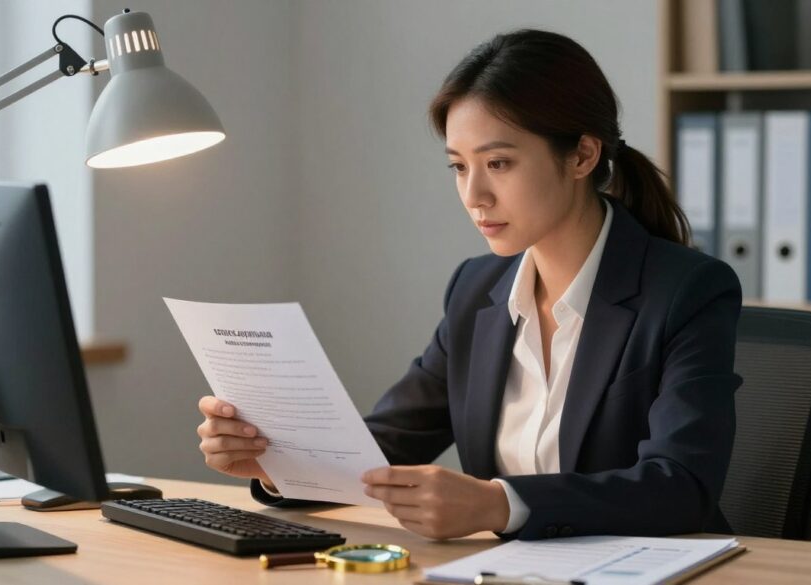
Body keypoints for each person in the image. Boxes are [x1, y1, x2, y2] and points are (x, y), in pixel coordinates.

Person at [196, 29, 742, 541]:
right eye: (459, 167)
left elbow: (681, 485)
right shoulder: (475, 290)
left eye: (498, 163)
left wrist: (497, 505)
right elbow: (383, 447)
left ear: (581, 155)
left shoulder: (687, 291)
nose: (474, 195)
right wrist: (278, 464)